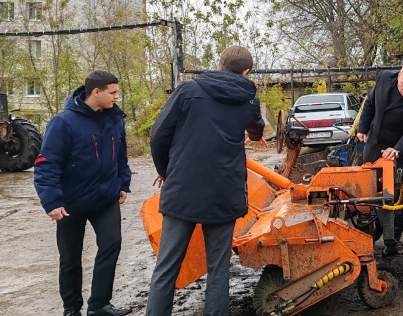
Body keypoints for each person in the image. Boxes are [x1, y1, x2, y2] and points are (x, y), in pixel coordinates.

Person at [146, 45, 265, 316]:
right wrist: (252, 133)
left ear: (220, 64)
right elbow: (256, 130)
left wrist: (167, 171)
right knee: (219, 269)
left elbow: (158, 135)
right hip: (224, 192)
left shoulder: (189, 90)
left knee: (166, 267)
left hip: (183, 189)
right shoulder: (248, 98)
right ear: (246, 71)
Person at [34, 70, 132, 316]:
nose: (116, 97)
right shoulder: (64, 122)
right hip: (71, 202)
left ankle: (99, 305)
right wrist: (52, 201)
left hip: (105, 199)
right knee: (70, 258)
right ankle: (71, 309)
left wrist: (123, 183)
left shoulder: (115, 118)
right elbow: (47, 163)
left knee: (111, 245)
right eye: (113, 92)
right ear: (96, 92)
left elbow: (120, 155)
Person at [356, 62, 403, 254]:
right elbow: (370, 102)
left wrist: (397, 150)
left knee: (395, 196)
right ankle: (369, 236)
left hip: (396, 152)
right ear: (398, 76)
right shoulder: (384, 79)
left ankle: (392, 242)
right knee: (370, 190)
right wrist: (362, 128)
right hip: (373, 145)